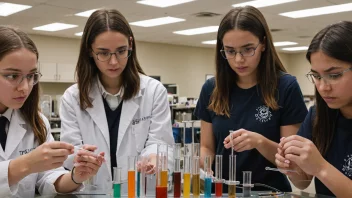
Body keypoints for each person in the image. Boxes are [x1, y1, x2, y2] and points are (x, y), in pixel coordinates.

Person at [194, 6, 308, 192]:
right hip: (222, 192)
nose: (239, 59)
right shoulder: (211, 89)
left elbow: (291, 161)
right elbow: (207, 147)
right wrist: (204, 165)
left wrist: (260, 142)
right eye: (230, 51)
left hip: (269, 192)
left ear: (263, 44)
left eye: (248, 49)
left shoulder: (285, 87)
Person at [59, 9, 174, 189]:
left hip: (139, 189)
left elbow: (160, 143)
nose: (114, 62)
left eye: (121, 51)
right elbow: (71, 152)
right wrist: (82, 158)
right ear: (90, 50)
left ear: (130, 44)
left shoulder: (153, 91)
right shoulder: (73, 97)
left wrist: (153, 159)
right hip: (93, 190)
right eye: (103, 53)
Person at [0, 26, 104, 197]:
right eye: (12, 76)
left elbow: (47, 178)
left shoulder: (36, 122)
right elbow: (27, 167)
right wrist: (27, 163)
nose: (25, 87)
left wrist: (76, 176)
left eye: (31, 76)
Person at [275, 21, 352, 197]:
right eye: (316, 76)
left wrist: (320, 167)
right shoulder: (317, 115)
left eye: (334, 75)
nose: (323, 87)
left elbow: (319, 169)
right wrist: (292, 167)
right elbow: (303, 182)